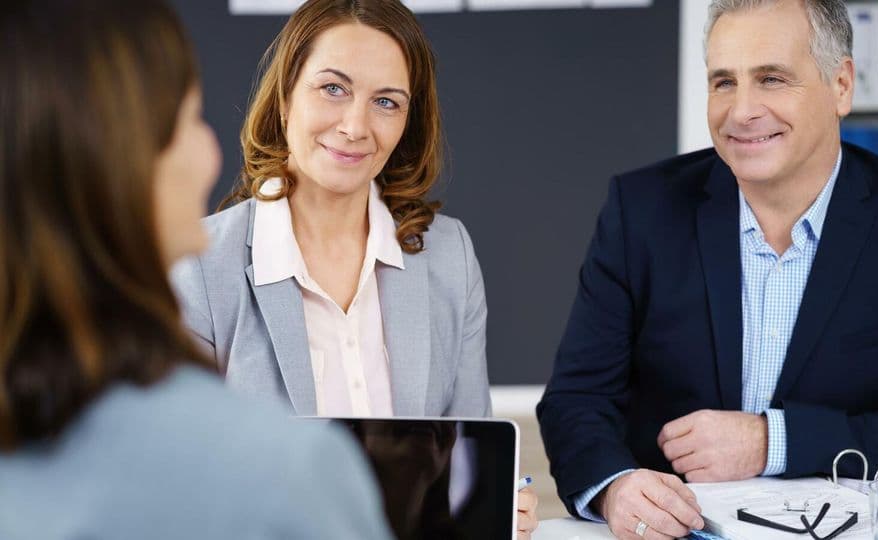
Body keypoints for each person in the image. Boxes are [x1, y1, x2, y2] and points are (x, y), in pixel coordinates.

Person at [537, 0, 878, 538]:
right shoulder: (640, 209)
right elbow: (577, 399)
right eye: (724, 82)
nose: (741, 111)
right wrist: (616, 486)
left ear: (841, 86)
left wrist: (773, 441)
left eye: (772, 78)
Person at [0, 2, 392, 539]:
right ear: (116, 165)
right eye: (188, 122)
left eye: (386, 101)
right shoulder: (289, 477)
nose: (211, 151)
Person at [169, 0, 537, 535]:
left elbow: (468, 462)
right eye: (333, 88)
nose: (355, 125)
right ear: (286, 96)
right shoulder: (198, 264)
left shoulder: (449, 254)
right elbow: (176, 486)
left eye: (386, 102)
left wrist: (494, 510)